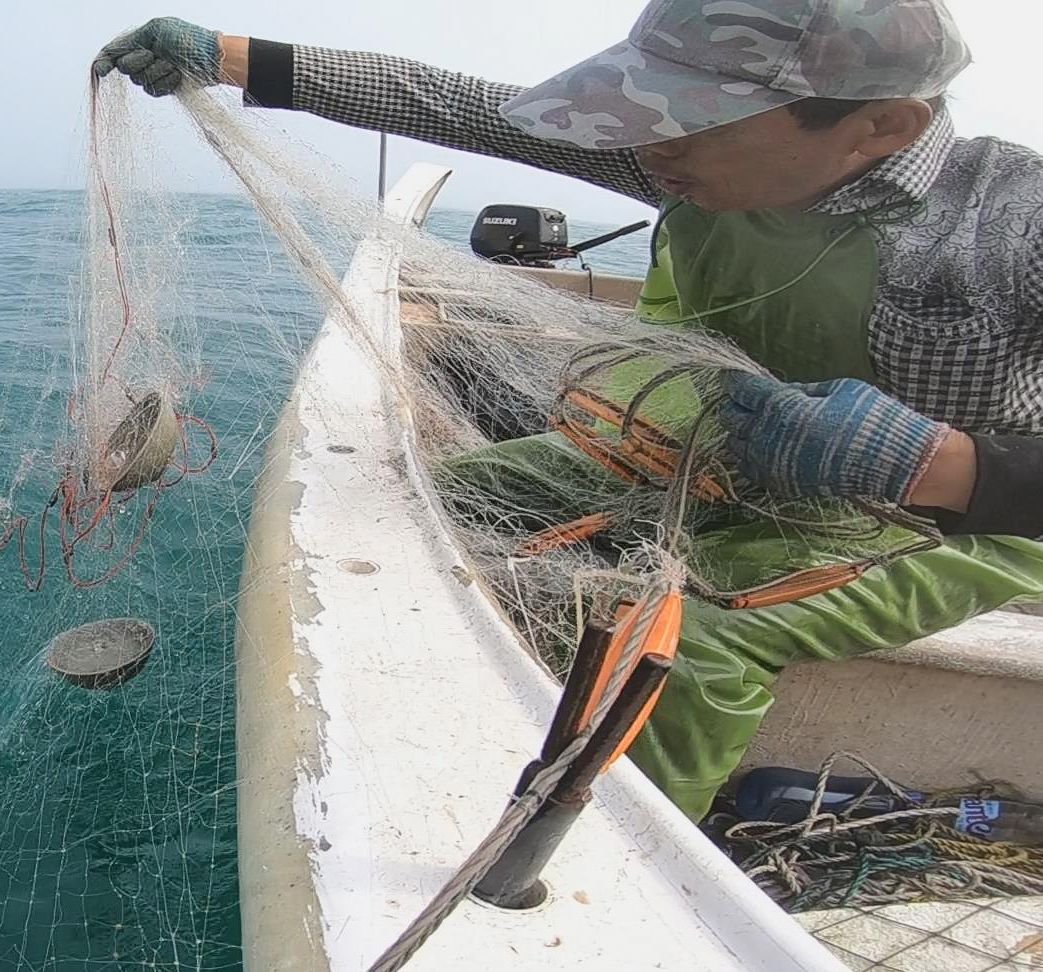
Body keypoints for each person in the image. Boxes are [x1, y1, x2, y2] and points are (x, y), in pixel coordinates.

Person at [94, 2, 1043, 820]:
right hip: (724, 457)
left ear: (880, 125)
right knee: (430, 495)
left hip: (943, 525)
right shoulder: (684, 168)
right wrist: (229, 56)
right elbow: (462, 106)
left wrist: (943, 465)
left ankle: (631, 851)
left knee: (688, 641)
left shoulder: (1012, 222)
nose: (650, 147)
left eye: (692, 124)